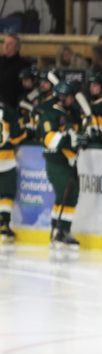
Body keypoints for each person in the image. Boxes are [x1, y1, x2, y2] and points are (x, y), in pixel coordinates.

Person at [38, 80, 85, 251]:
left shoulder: (70, 114)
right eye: (70, 96)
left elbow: (74, 135)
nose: (73, 100)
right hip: (56, 161)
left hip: (70, 161)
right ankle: (57, 230)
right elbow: (50, 140)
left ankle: (63, 230)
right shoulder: (49, 114)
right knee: (64, 193)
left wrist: (81, 139)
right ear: (63, 97)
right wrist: (71, 140)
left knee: (71, 194)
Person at [0, 97, 26, 244]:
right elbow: (16, 139)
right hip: (5, 160)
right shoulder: (9, 112)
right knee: (6, 194)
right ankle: (4, 224)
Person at [0, 34, 31, 108]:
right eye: (5, 43)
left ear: (17, 47)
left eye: (10, 44)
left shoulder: (24, 66)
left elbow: (26, 88)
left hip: (13, 106)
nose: (6, 46)